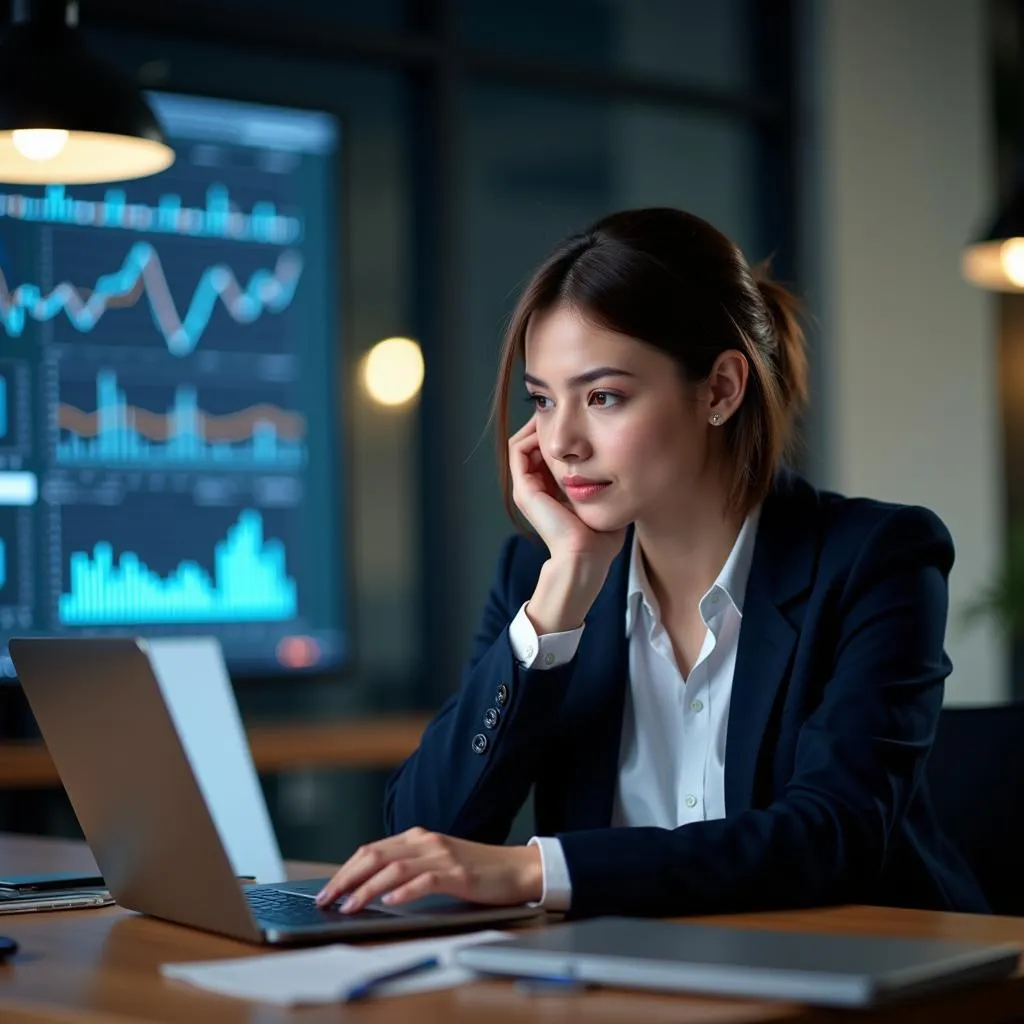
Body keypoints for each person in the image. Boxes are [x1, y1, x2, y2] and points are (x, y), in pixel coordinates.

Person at [315, 207, 989, 918]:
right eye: (543, 401)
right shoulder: (536, 579)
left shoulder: (875, 560)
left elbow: (832, 838)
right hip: (625, 981)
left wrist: (535, 870)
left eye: (603, 397)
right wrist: (558, 602)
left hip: (865, 978)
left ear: (721, 390)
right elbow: (425, 835)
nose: (562, 441)